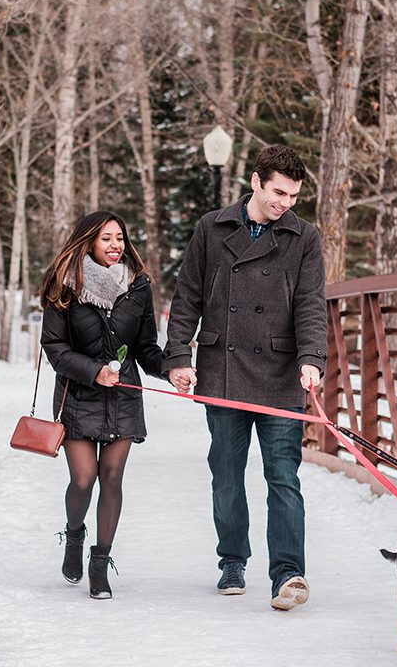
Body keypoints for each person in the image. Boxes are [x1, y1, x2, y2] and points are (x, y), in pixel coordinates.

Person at [163, 144, 327, 610]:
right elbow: (188, 295)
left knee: (283, 477)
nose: (285, 203)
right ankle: (232, 560)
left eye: (293, 196)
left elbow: (312, 303)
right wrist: (178, 355)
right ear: (255, 181)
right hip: (224, 371)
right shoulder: (212, 228)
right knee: (227, 477)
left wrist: (313, 356)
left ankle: (289, 574)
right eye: (278, 192)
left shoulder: (304, 238)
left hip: (279, 374)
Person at [40, 211, 166, 599]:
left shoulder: (138, 287)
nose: (115, 245)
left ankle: (100, 563)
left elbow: (145, 347)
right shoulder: (64, 286)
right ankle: (75, 536)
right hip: (78, 395)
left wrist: (172, 369)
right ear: (89, 241)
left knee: (111, 477)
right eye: (106, 238)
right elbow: (55, 348)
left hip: (123, 396)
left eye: (120, 238)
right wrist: (93, 371)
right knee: (83, 478)